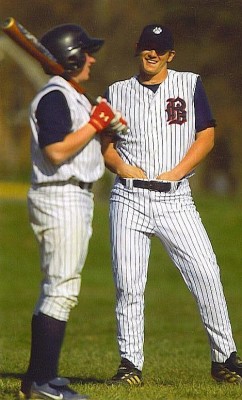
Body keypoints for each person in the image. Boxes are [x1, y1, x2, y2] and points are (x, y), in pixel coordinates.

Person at [101, 24, 242, 386]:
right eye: (147, 46)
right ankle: (130, 364)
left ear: (170, 55)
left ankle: (224, 357)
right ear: (138, 49)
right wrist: (120, 165)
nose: (152, 53)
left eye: (159, 48)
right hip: (129, 197)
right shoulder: (116, 92)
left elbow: (206, 135)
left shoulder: (190, 84)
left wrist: (178, 171)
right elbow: (105, 144)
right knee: (129, 284)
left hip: (175, 197)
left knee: (206, 273)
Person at [19, 23, 125, 400]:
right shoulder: (53, 96)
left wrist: (105, 133)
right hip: (60, 196)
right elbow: (57, 151)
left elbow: (78, 147)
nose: (93, 58)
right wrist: (95, 125)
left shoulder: (72, 96)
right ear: (72, 57)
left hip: (75, 196)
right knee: (60, 288)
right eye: (87, 52)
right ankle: (42, 382)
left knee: (61, 286)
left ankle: (37, 378)